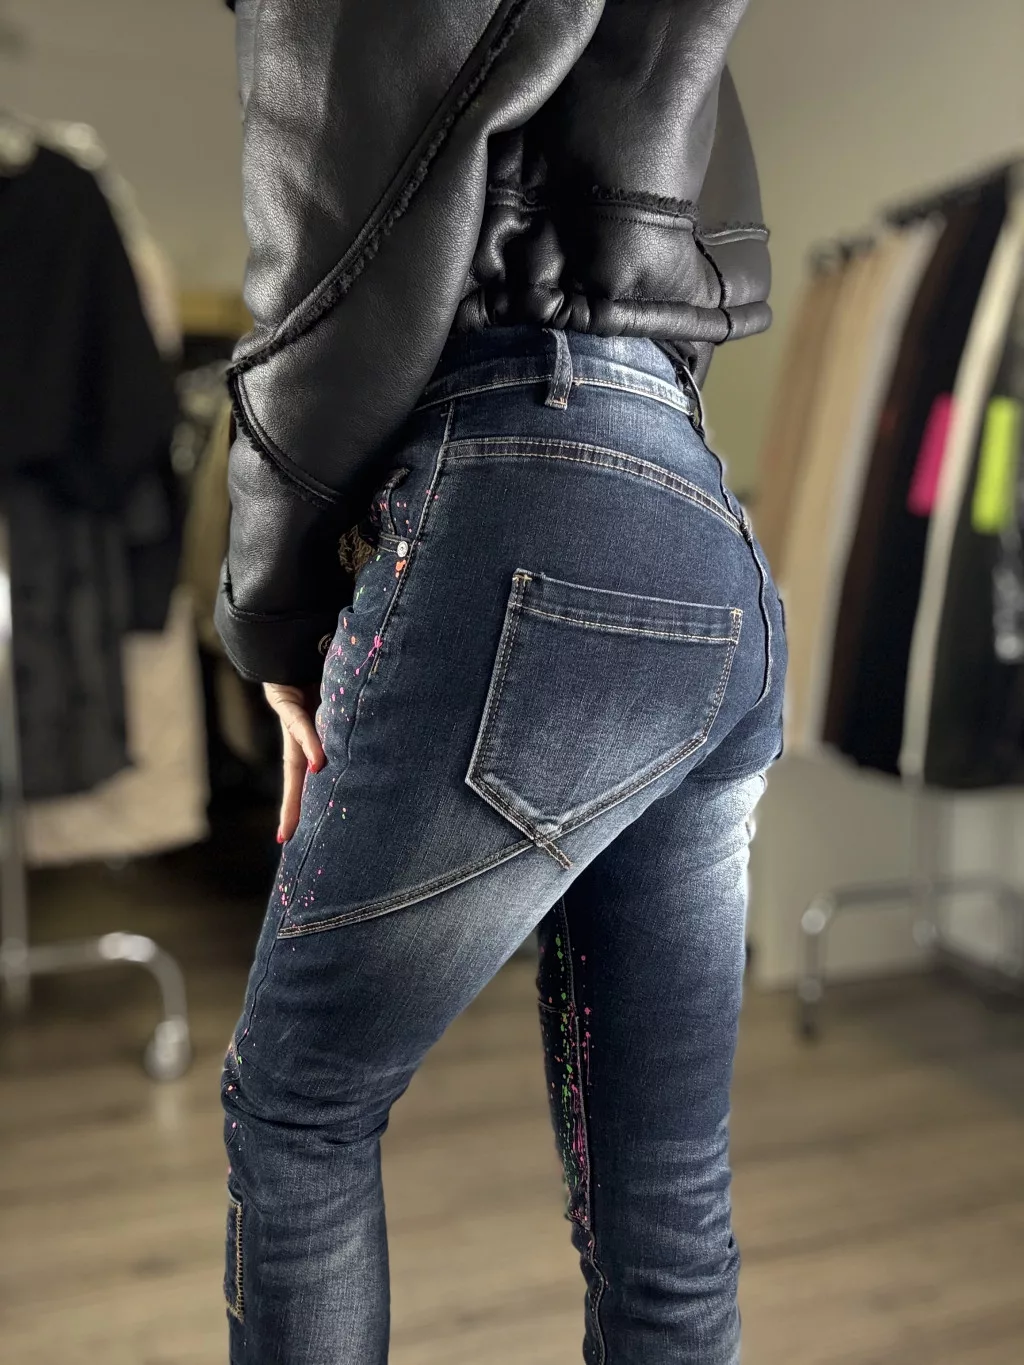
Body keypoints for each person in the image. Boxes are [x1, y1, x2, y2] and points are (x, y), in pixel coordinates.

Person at [215, 2, 784, 1362]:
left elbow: (328, 276)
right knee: (665, 1191)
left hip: (521, 494)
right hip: (703, 525)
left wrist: (273, 613)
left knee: (298, 1113)